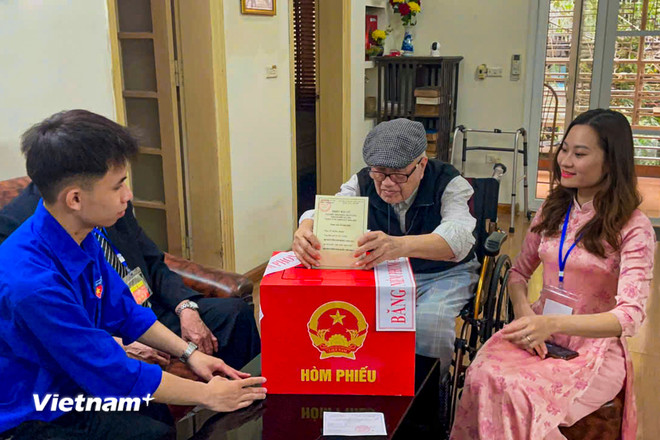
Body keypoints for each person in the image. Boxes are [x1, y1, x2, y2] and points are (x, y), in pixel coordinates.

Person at [0, 110, 267, 440]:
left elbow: (124, 310)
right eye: (117, 186)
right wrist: (207, 395)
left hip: (75, 380)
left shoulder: (77, 232)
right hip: (36, 408)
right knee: (150, 432)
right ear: (75, 198)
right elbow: (110, 370)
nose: (127, 195)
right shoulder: (32, 284)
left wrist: (191, 354)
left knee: (159, 415)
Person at [450, 109, 656, 440]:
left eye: (580, 154)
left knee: (520, 397)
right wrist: (526, 316)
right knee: (480, 375)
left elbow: (629, 317)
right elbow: (518, 274)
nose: (565, 161)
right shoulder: (552, 209)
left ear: (611, 161)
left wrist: (552, 324)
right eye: (564, 149)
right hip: (537, 333)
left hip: (592, 350)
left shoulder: (633, 228)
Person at [0, 185, 260, 371]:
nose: (127, 195)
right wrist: (117, 345)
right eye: (116, 184)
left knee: (233, 314)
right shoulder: (17, 226)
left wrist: (186, 308)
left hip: (144, 309)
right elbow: (50, 327)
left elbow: (152, 260)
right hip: (99, 330)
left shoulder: (112, 206)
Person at [292, 118, 479, 371]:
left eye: (399, 174)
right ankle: (376, 379)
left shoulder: (448, 182)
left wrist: (399, 246)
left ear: (422, 164)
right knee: (352, 319)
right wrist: (305, 228)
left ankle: (429, 388)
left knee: (429, 322)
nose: (387, 183)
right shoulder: (363, 180)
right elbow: (330, 210)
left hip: (442, 273)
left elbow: (457, 240)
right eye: (379, 173)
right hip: (384, 273)